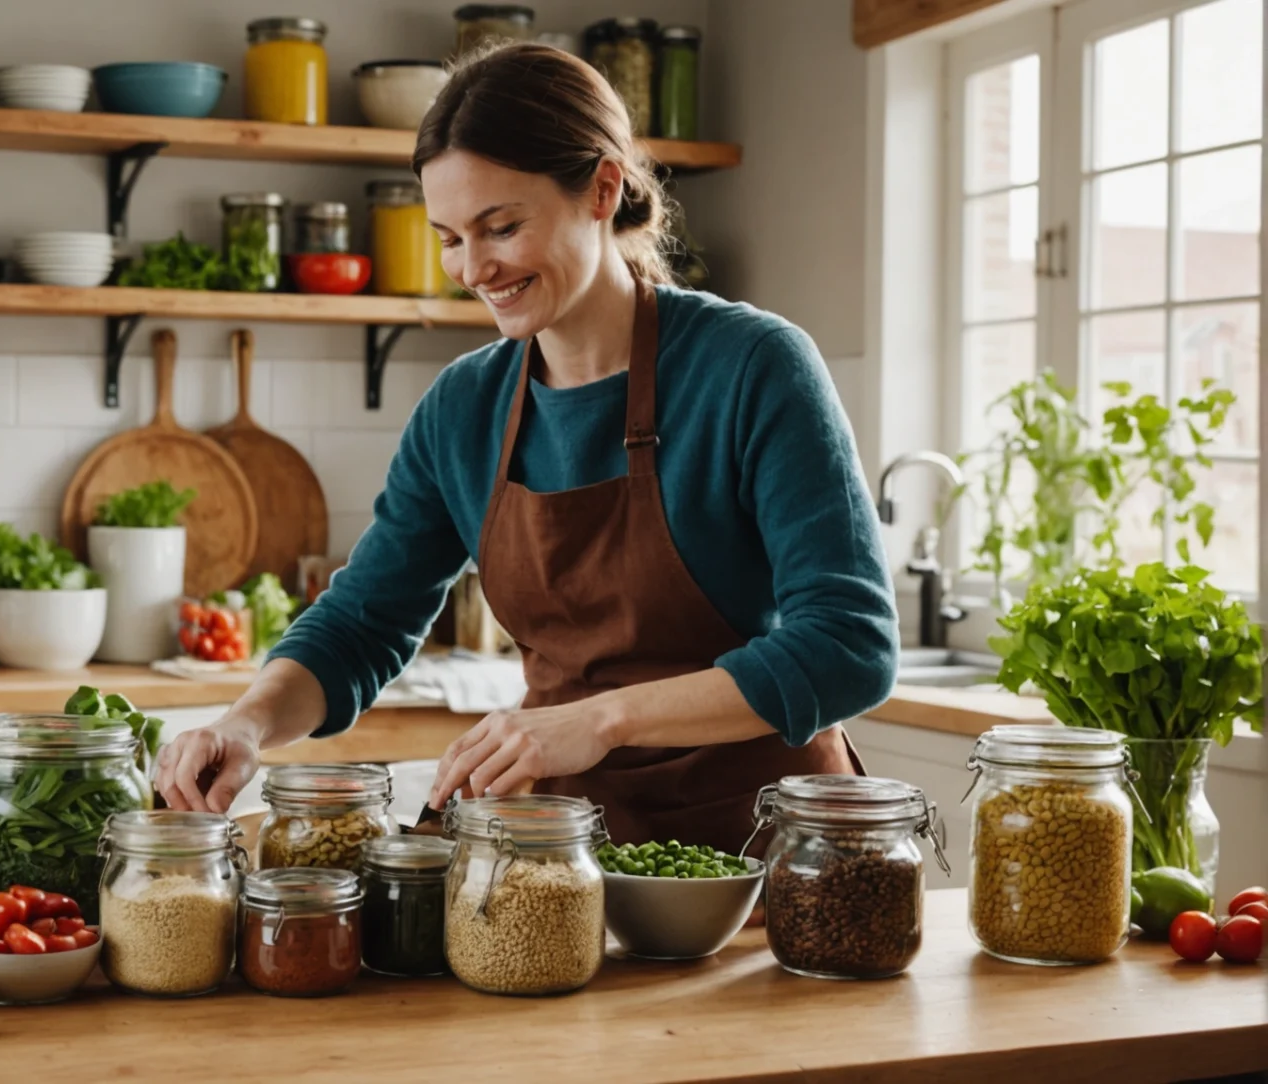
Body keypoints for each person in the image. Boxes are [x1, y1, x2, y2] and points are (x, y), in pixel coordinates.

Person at [154, 43, 899, 853]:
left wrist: (600, 721)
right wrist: (247, 725)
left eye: (501, 227)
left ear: (603, 190)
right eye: (448, 238)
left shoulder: (751, 366)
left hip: (767, 849)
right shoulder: (463, 409)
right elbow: (361, 625)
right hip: (560, 853)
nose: (474, 269)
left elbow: (849, 646)